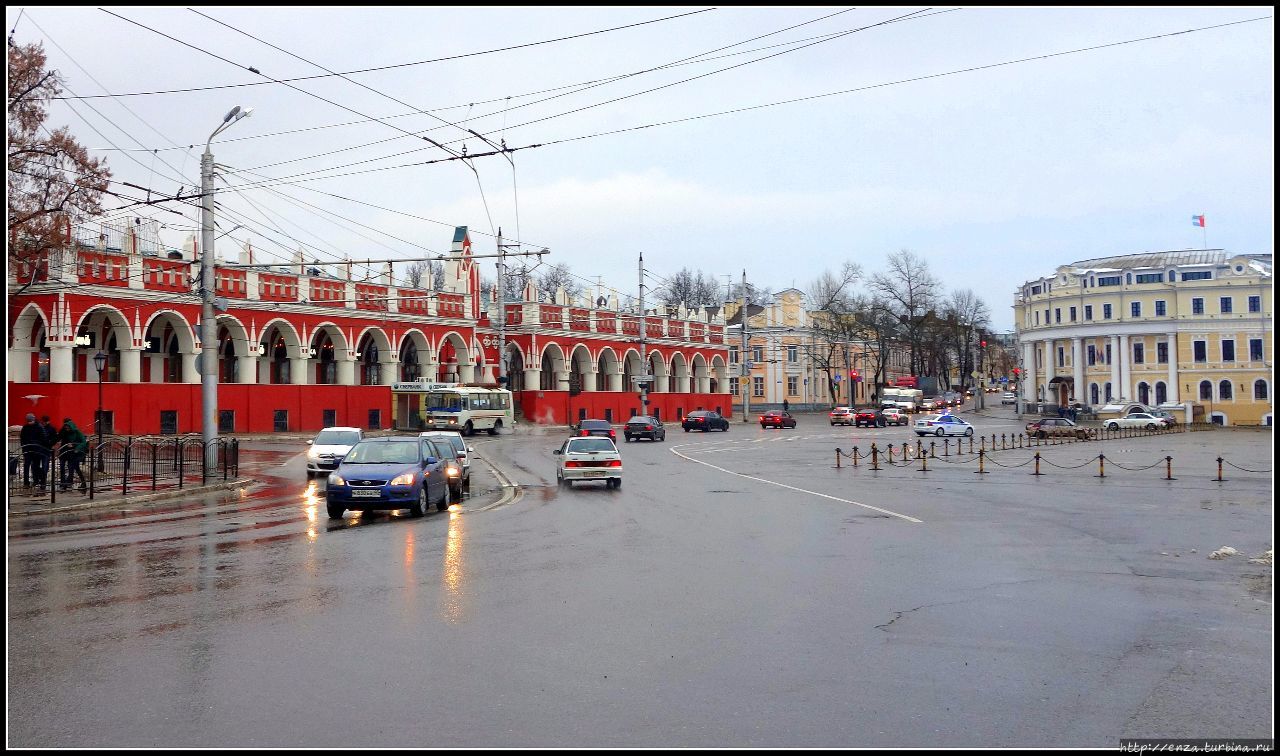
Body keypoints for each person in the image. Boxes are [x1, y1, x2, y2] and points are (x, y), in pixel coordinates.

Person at [56, 417, 89, 491]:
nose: (67, 429)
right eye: (66, 428)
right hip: (69, 452)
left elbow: (83, 442)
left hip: (77, 453)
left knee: (74, 467)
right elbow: (61, 439)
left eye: (68, 428)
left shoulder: (77, 432)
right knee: (75, 468)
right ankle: (71, 483)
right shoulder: (65, 432)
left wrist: (75, 447)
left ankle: (77, 483)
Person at [20, 414, 44, 488]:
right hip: (27, 450)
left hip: (36, 450)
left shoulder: (39, 427)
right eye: (28, 421)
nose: (29, 422)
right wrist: (24, 448)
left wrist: (36, 444)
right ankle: (26, 483)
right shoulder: (25, 427)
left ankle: (36, 480)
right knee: (26, 466)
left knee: (35, 466)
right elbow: (22, 438)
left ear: (34, 420)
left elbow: (42, 438)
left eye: (30, 421)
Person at [37, 415, 57, 486]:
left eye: (45, 421)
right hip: (39, 449)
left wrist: (50, 443)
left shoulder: (51, 429)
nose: (44, 423)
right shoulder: (40, 428)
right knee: (36, 465)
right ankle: (40, 478)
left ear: (48, 421)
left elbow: (55, 438)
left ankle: (43, 481)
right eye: (43, 421)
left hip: (47, 449)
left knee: (45, 466)